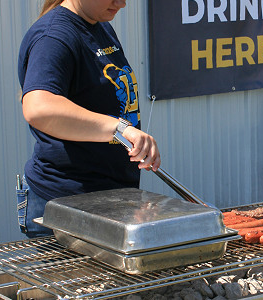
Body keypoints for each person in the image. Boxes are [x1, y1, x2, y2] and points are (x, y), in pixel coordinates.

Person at [17, 0, 161, 238]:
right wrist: (119, 127)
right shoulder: (53, 36)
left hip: (106, 201)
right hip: (66, 205)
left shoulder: (98, 23)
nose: (122, 3)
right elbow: (38, 108)